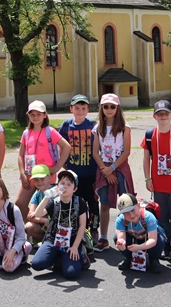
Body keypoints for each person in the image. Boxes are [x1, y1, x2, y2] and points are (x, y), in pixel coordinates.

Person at [141, 99, 171, 261]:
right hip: (158, 186)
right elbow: (146, 157)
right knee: (161, 217)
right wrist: (148, 178)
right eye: (159, 114)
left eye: (166, 114)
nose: (163, 117)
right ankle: (165, 244)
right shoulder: (150, 135)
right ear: (154, 116)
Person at [91, 92, 134, 251]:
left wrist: (113, 169)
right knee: (104, 204)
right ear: (101, 108)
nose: (109, 109)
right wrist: (106, 171)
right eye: (106, 106)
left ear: (118, 108)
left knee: (126, 203)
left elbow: (127, 152)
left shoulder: (125, 127)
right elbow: (95, 152)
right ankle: (103, 238)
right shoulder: (97, 128)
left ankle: (129, 235)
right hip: (104, 168)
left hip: (120, 167)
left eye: (112, 106)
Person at [30, 170, 90, 280]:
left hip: (71, 241)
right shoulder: (54, 201)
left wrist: (75, 247)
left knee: (71, 274)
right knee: (36, 264)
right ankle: (58, 257)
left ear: (74, 189)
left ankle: (81, 253)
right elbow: (37, 214)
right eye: (62, 183)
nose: (65, 187)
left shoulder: (79, 202)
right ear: (58, 185)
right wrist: (47, 196)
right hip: (54, 239)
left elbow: (82, 225)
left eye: (69, 184)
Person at [15, 100, 70, 215]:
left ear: (45, 115)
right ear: (28, 115)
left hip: (47, 176)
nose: (35, 117)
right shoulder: (26, 133)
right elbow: (21, 155)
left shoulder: (50, 131)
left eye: (38, 114)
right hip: (30, 176)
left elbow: (66, 147)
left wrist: (57, 167)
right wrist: (22, 173)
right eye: (32, 114)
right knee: (19, 203)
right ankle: (30, 227)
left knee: (46, 206)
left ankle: (45, 230)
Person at [58, 94, 99, 238]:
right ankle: (77, 228)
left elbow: (99, 146)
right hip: (74, 174)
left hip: (91, 173)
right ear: (71, 109)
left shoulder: (93, 125)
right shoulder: (66, 126)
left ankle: (93, 229)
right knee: (76, 203)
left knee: (93, 202)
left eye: (83, 108)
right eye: (77, 108)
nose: (80, 111)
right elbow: (60, 145)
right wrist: (62, 162)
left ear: (88, 109)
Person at [114, 193, 165, 273]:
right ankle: (129, 258)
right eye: (126, 213)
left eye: (132, 210)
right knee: (115, 238)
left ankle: (154, 260)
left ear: (138, 206)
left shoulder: (148, 216)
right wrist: (121, 243)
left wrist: (139, 247)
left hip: (148, 238)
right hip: (134, 238)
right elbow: (121, 237)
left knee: (160, 239)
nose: (131, 215)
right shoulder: (120, 220)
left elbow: (153, 240)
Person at [24, 164, 54, 243]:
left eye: (42, 179)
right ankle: (45, 240)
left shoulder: (55, 191)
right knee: (28, 226)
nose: (39, 182)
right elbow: (30, 216)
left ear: (49, 178)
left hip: (56, 224)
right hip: (44, 224)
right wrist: (44, 220)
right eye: (36, 180)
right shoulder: (37, 194)